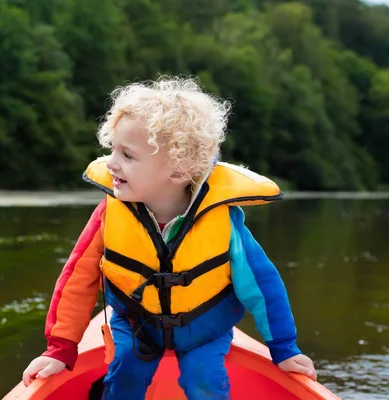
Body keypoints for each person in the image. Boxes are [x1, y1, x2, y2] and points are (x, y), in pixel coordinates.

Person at [22, 76, 316, 399]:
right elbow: (77, 280)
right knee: (125, 369)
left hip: (204, 330)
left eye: (127, 156)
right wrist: (60, 349)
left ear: (177, 172)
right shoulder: (110, 214)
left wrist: (284, 349)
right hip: (135, 325)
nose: (111, 163)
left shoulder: (224, 225)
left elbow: (263, 287)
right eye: (113, 150)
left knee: (203, 379)